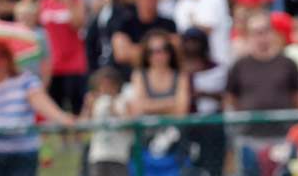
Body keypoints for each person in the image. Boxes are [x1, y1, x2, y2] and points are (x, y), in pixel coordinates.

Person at [226, 11, 298, 176]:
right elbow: (231, 97)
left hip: (283, 137)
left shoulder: (287, 63)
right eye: (256, 32)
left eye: (265, 31)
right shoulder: (240, 65)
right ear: (248, 36)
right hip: (250, 138)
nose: (261, 37)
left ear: (272, 33)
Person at [0, 40, 75, 176]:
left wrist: (63, 118)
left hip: (22, 152)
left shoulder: (25, 80)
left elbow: (41, 103)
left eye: (1, 56)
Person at [128, 30, 190, 172]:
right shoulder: (139, 75)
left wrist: (150, 105)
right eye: (153, 51)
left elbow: (182, 111)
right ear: (147, 54)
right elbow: (137, 109)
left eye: (163, 50)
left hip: (175, 149)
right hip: (145, 148)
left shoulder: (180, 76)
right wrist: (171, 103)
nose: (159, 55)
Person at [38, 0, 88, 115]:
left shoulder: (76, 1)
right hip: (52, 64)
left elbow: (78, 24)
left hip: (74, 63)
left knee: (75, 107)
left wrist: (68, 3)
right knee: (55, 106)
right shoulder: (43, 2)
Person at [181, 28, 228, 176]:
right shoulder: (178, 70)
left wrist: (204, 94)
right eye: (188, 41)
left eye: (196, 41)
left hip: (212, 124)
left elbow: (225, 97)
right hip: (186, 126)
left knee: (213, 166)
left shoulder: (217, 68)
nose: (192, 46)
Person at [112, 0, 177, 79]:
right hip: (131, 78)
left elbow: (176, 49)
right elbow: (121, 54)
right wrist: (159, 50)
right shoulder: (125, 24)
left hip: (165, 79)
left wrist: (136, 51)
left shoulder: (168, 24)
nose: (149, 1)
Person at [173, 0, 231, 64]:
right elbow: (183, 35)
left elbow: (205, 30)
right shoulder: (181, 4)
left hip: (218, 62)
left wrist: (193, 26)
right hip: (192, 65)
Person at [83, 66, 132, 176]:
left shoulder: (124, 101)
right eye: (102, 85)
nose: (106, 88)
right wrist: (88, 108)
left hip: (119, 156)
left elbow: (130, 125)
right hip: (98, 156)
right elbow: (83, 126)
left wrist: (115, 111)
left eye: (109, 85)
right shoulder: (96, 102)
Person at [13, 1, 52, 86]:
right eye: (22, 15)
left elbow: (47, 60)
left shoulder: (41, 35)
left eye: (29, 15)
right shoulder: (12, 34)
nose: (26, 18)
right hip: (15, 80)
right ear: (16, 17)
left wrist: (45, 84)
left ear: (35, 17)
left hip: (36, 79)